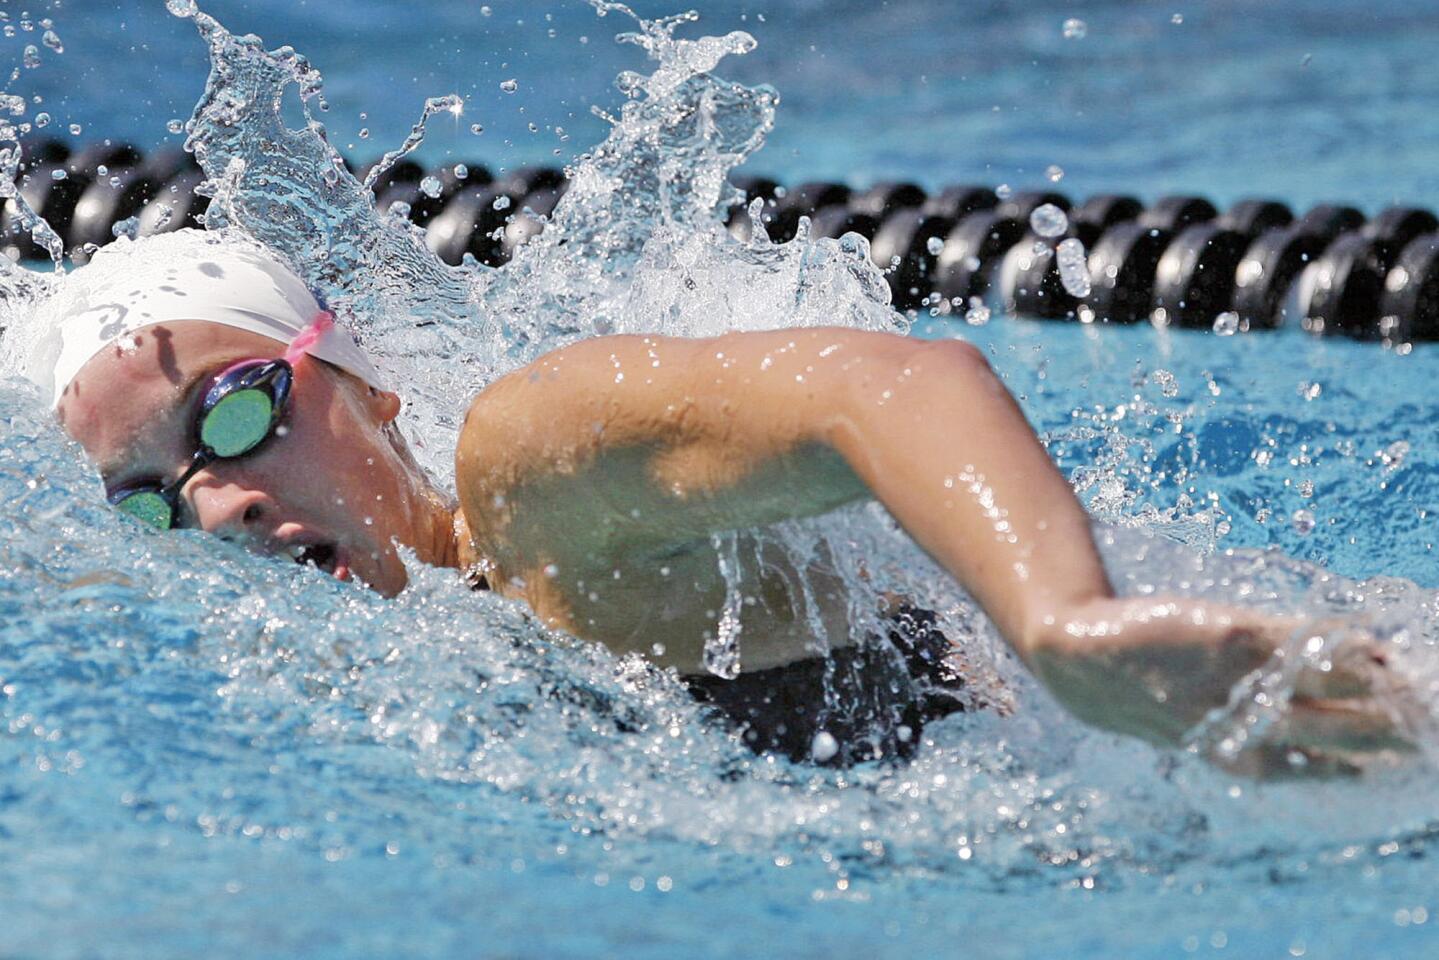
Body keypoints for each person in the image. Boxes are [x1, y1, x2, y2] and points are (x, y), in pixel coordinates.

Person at [28, 229, 1413, 774]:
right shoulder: (414, 654)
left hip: (1290, 717)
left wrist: (1066, 626)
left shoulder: (533, 482)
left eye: (240, 415)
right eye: (156, 496)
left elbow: (886, 388)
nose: (219, 512)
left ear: (369, 387)